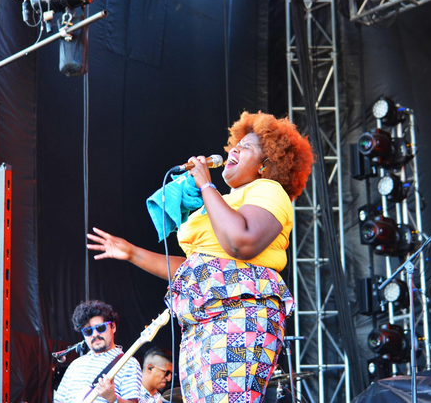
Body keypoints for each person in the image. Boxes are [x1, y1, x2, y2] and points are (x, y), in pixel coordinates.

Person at [87, 111, 314, 403]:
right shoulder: (224, 203)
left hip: (238, 313)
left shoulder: (268, 190)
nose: (234, 150)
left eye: (246, 147)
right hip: (200, 320)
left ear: (266, 165)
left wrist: (207, 185)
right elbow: (194, 268)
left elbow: (241, 242)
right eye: (235, 144)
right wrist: (131, 252)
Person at [54, 300, 142, 403]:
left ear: (113, 327)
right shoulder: (75, 365)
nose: (94, 334)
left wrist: (113, 398)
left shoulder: (128, 363)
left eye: (100, 328)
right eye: (88, 331)